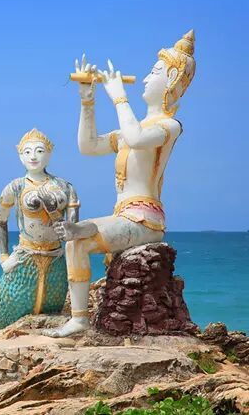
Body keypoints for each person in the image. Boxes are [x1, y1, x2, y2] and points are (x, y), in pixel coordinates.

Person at [46, 30, 196, 337]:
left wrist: (118, 96)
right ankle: (79, 318)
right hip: (123, 215)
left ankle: (79, 318)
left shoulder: (169, 126)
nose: (145, 78)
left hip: (145, 219)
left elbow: (136, 138)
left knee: (79, 237)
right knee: (76, 239)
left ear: (171, 79)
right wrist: (88, 100)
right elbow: (88, 146)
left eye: (154, 72)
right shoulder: (132, 128)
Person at [0, 128, 79, 330]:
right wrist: (4, 258)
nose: (33, 156)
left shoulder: (65, 187)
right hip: (25, 257)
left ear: (49, 153)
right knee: (9, 306)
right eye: (27, 152)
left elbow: (73, 231)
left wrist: (55, 213)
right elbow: (1, 221)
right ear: (20, 156)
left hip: (55, 258)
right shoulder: (16, 187)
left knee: (51, 305)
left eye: (39, 151)